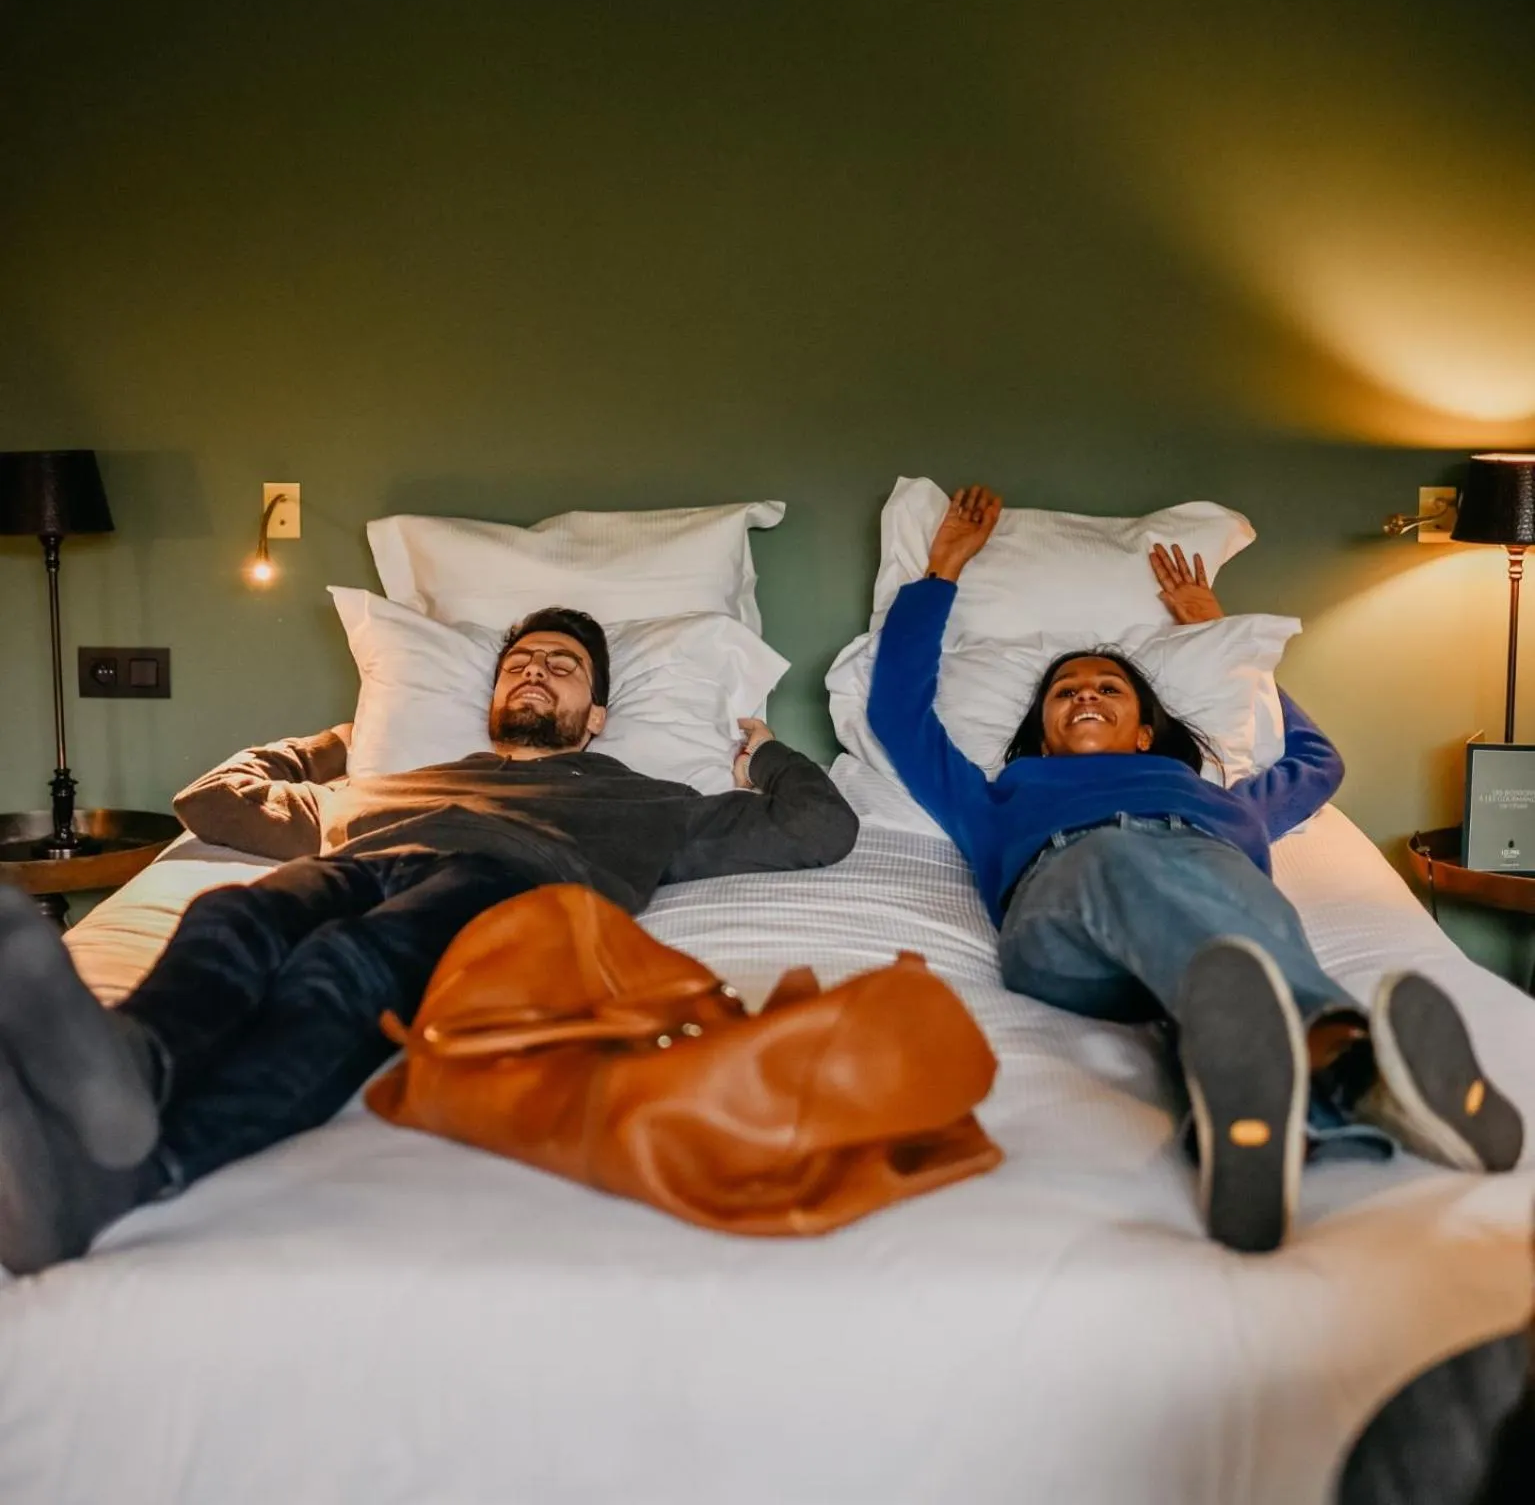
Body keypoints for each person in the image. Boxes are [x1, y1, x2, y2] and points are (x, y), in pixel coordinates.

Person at [0, 607, 859, 1275]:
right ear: (491, 699)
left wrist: (767, 755)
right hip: (377, 860)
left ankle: (145, 1169)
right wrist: (327, 751)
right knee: (231, 917)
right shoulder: (385, 784)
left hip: (517, 887)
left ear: (593, 715)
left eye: (562, 668)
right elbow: (212, 804)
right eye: (520, 663)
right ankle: (133, 1072)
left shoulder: (652, 801)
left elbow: (820, 829)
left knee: (341, 966)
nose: (535, 672)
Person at [868, 485, 1523, 1253]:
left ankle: (1269, 1099)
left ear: (1145, 733)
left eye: (1108, 689)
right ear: (1041, 737)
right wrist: (939, 574)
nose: (1084, 694)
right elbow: (897, 715)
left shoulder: (1222, 801)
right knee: (1142, 872)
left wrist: (1230, 646)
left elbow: (1317, 761)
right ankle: (1347, 1057)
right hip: (1067, 920)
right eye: (1063, 691)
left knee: (1235, 926)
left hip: (1213, 893)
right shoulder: (999, 796)